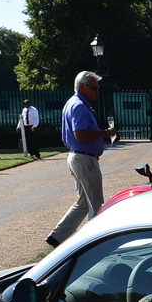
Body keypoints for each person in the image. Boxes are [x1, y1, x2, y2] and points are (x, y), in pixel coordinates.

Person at [46, 71, 117, 247]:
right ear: (82, 86)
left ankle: (58, 237)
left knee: (83, 202)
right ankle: (93, 243)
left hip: (77, 156)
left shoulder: (73, 103)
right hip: (84, 158)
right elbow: (80, 133)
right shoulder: (79, 106)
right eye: (93, 88)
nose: (96, 91)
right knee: (96, 204)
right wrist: (105, 133)